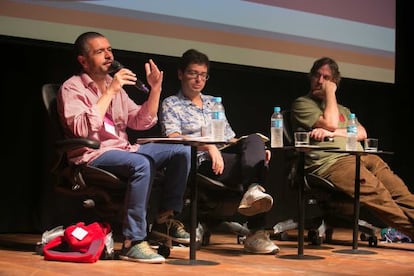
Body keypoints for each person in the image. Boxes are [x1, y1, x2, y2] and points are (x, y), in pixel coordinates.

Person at [57, 31, 192, 264]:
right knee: (142, 163)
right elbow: (81, 130)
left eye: (109, 50)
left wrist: (155, 89)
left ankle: (164, 220)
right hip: (93, 154)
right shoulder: (72, 88)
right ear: (83, 60)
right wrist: (109, 92)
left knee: (182, 150)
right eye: (100, 51)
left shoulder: (113, 85)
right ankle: (133, 242)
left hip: (125, 150)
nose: (108, 55)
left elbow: (140, 121)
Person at [159, 49, 279, 254]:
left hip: (225, 156)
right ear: (181, 74)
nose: (198, 79)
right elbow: (172, 138)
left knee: (255, 141)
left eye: (203, 75)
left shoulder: (214, 102)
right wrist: (208, 146)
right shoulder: (171, 103)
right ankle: (256, 233)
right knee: (258, 166)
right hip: (200, 162)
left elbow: (230, 137)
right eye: (192, 73)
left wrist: (257, 151)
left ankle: (253, 194)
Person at [290, 56, 414, 241]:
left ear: (335, 81)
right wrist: (330, 93)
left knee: (399, 190)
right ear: (311, 77)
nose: (321, 81)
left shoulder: (344, 110)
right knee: (377, 193)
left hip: (360, 155)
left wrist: (332, 133)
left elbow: (361, 133)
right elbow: (331, 122)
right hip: (332, 163)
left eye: (327, 78)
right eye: (317, 76)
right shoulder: (302, 104)